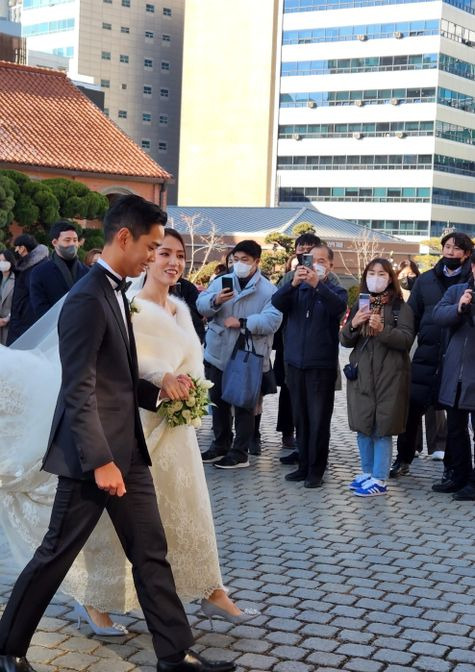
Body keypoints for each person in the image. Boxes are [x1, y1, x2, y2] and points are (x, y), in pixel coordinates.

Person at [0, 195, 235, 672]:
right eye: (151, 246)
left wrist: (160, 397)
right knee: (55, 555)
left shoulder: (115, 293)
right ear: (124, 237)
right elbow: (78, 388)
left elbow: (121, 379)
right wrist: (101, 460)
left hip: (129, 451)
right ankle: (7, 648)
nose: (155, 256)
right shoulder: (88, 298)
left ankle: (174, 655)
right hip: (92, 458)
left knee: (151, 553)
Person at [390, 233, 473, 481]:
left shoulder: (469, 283)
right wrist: (403, 346)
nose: (450, 252)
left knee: (455, 417)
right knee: (412, 409)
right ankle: (403, 457)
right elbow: (410, 317)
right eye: (446, 247)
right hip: (427, 354)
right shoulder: (425, 281)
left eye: (456, 249)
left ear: (466, 254)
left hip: (458, 359)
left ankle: (452, 467)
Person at [197, 240, 282, 469]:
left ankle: (240, 451)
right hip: (218, 352)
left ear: (257, 262)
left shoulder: (268, 289)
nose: (240, 264)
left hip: (246, 355)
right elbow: (200, 305)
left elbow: (273, 320)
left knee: (244, 404)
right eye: (236, 260)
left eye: (245, 260)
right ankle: (220, 445)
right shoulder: (221, 282)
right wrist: (215, 300)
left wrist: (243, 323)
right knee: (217, 402)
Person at [272, 244, 347, 488]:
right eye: (311, 260)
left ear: (330, 265)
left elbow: (338, 308)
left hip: (320, 366)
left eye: (322, 261)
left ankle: (316, 470)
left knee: (318, 420)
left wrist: (318, 285)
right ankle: (303, 465)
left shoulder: (335, 290)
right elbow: (276, 301)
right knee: (300, 418)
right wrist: (294, 283)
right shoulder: (297, 288)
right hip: (294, 362)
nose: (316, 264)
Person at [340, 258, 414, 497]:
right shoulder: (360, 303)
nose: (376, 278)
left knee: (382, 429)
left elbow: (405, 340)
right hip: (362, 376)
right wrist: (354, 323)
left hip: (390, 377)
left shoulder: (401, 308)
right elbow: (344, 340)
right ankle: (367, 472)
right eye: (372, 273)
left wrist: (383, 329)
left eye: (382, 274)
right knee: (363, 426)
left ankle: (379, 479)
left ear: (390, 278)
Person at [432, 251, 475, 500]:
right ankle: (458, 475)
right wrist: (460, 309)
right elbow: (438, 315)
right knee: (456, 429)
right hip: (455, 376)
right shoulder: (457, 291)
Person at [29, 221, 89, 319]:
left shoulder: (87, 272)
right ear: (55, 242)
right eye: (67, 240)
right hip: (53, 328)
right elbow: (40, 308)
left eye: (75, 240)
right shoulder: (39, 273)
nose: (72, 244)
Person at [6, 234, 48, 345]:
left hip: (25, 322)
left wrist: (20, 315)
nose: (16, 250)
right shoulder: (27, 265)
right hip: (20, 320)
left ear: (23, 248)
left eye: (17, 247)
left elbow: (33, 296)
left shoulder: (35, 268)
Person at [0, 249, 16, 345]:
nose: (2, 263)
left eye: (5, 261)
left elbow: (19, 303)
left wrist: (7, 319)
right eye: (0, 261)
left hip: (10, 324)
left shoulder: (17, 279)